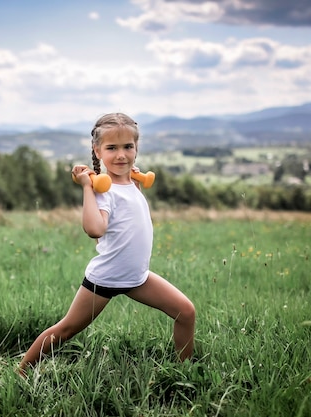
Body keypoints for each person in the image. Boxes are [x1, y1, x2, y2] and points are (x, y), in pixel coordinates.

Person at [18, 112, 195, 374]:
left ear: (136, 148)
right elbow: (94, 229)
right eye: (112, 148)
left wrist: (136, 183)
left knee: (186, 312)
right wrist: (87, 188)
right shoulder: (103, 190)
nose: (121, 155)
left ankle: (185, 373)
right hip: (107, 278)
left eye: (128, 147)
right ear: (97, 150)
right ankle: (21, 372)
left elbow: (130, 217)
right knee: (66, 329)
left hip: (137, 277)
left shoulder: (131, 183)